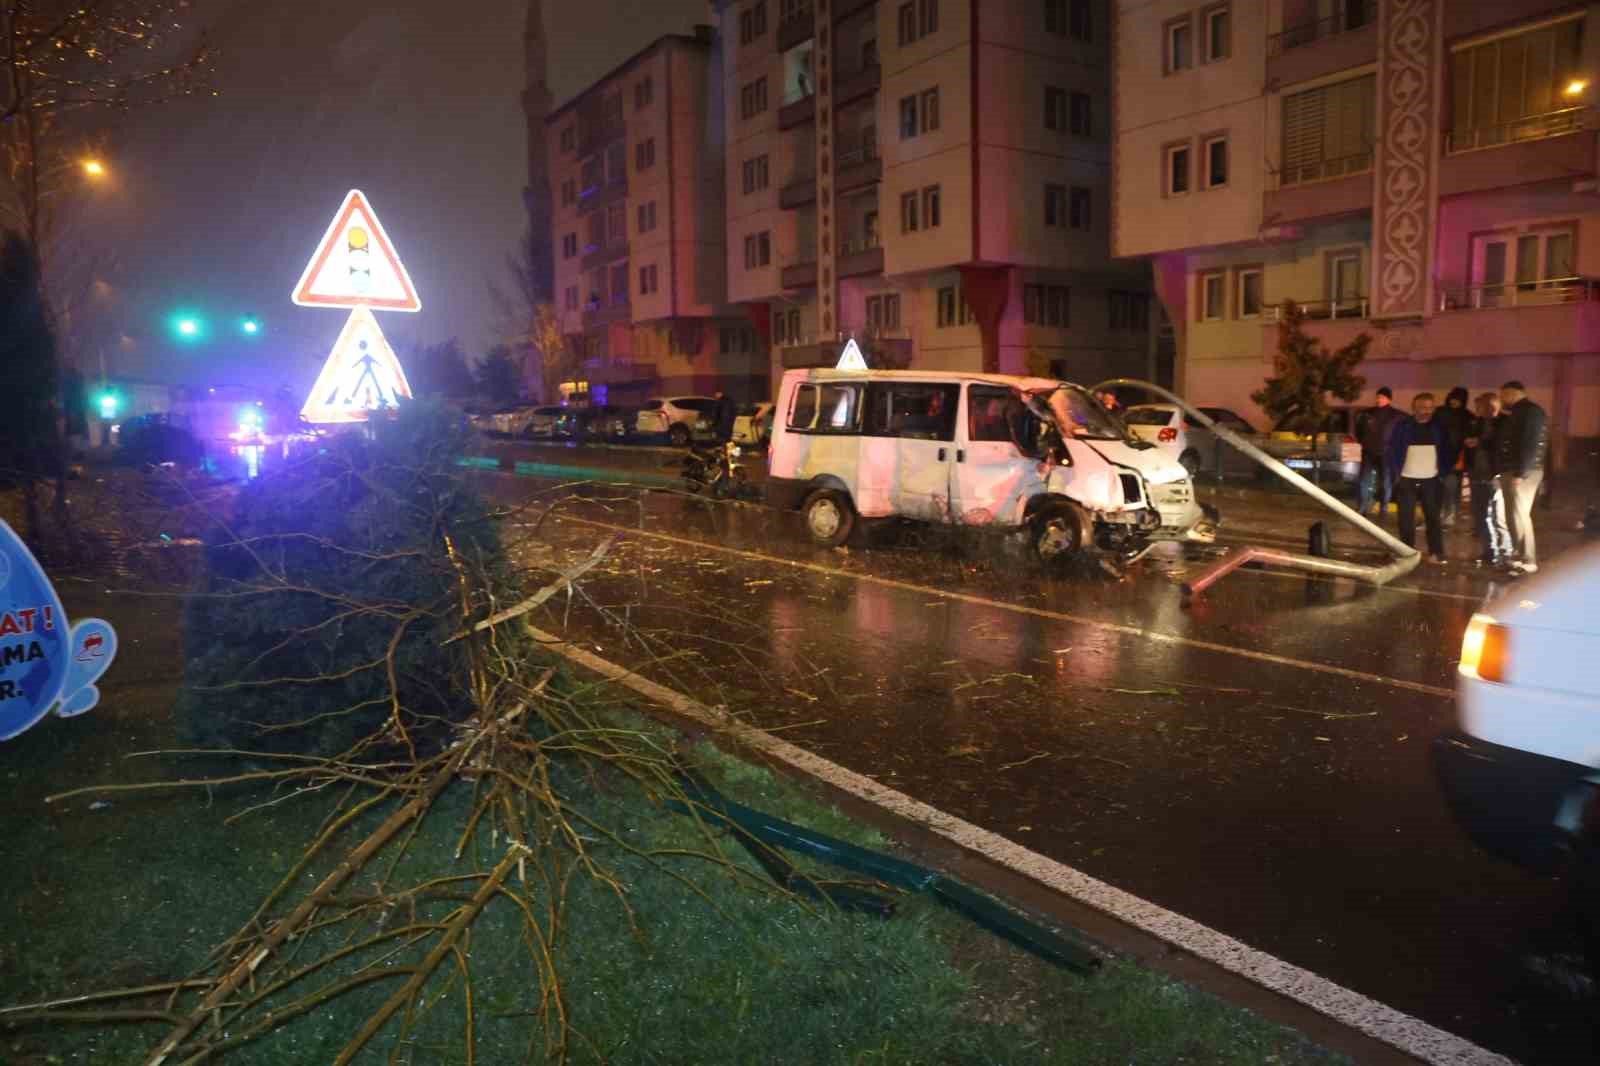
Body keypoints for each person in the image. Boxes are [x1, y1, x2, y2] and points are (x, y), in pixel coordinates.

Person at [1386, 392, 1457, 564]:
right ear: (1414, 408)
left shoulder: (1440, 428)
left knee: (1433, 517)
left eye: (1430, 407)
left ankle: (1436, 552)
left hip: (1431, 479)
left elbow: (1449, 451)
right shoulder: (1403, 426)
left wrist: (1443, 473)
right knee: (1405, 518)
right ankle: (1406, 552)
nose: (1426, 411)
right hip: (1406, 478)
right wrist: (1396, 472)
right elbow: (1393, 448)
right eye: (1422, 407)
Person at [1494, 380, 1548, 575]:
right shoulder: (1519, 412)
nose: (1501, 399)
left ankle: (1528, 559)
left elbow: (1530, 444)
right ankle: (1520, 555)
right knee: (1513, 515)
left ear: (1512, 393)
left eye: (1503, 395)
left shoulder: (1530, 412)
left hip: (1524, 471)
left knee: (1519, 514)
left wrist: (1521, 473)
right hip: (1515, 470)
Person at [1466, 392, 1511, 567]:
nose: (1478, 410)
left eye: (1481, 407)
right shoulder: (1476, 422)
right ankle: (1489, 550)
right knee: (1480, 514)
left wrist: (1479, 442)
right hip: (1477, 473)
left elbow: (1500, 445)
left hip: (1496, 474)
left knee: (1498, 516)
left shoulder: (1505, 423)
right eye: (1478, 407)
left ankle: (1504, 550)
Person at [1356, 386, 1404, 516]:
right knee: (1364, 480)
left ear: (1388, 399)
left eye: (1382, 397)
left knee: (1385, 482)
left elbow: (1401, 433)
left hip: (1386, 453)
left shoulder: (1396, 415)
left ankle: (1384, 507)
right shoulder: (1367, 413)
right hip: (1368, 452)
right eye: (1377, 397)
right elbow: (1359, 430)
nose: (1379, 399)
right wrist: (1364, 442)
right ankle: (1363, 507)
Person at [1435, 387, 1471, 525]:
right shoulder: (1440, 412)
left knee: (1451, 489)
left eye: (1458, 400)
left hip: (1457, 459)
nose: (1454, 402)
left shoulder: (1467, 416)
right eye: (1452, 399)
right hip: (1439, 456)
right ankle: (1436, 517)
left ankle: (1449, 518)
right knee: (1437, 490)